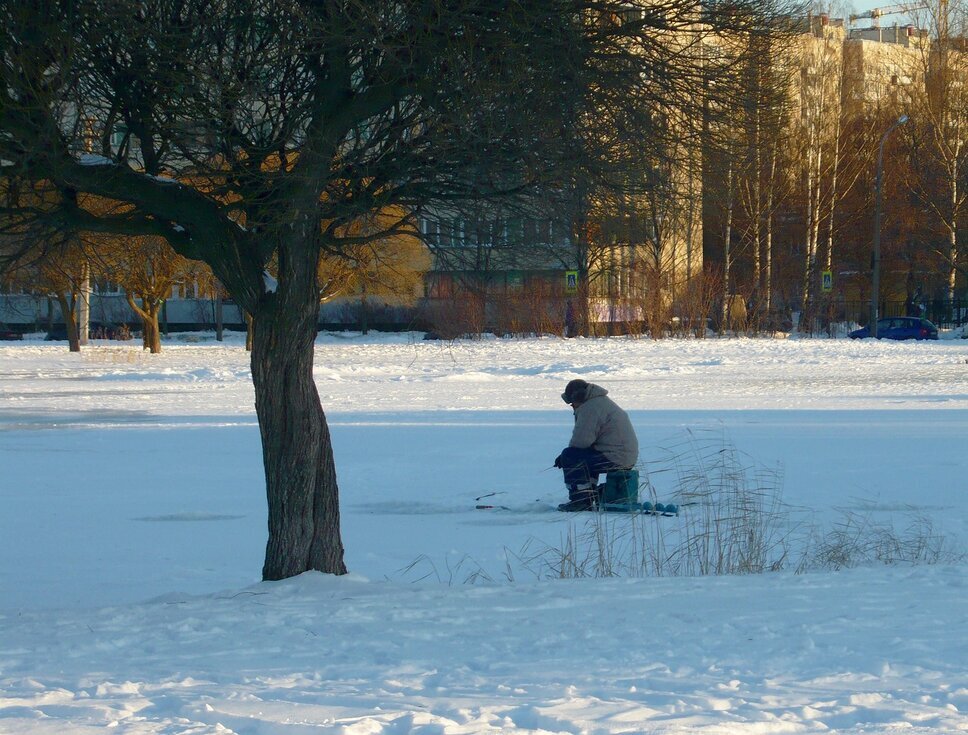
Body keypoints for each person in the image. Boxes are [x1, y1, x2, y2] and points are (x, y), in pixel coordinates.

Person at [553, 379, 638, 511]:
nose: (573, 407)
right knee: (582, 457)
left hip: (615, 458)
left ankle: (581, 500)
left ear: (578, 398)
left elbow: (582, 441)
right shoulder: (599, 402)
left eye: (572, 403)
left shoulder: (590, 408)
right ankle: (589, 494)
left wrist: (565, 457)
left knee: (571, 456)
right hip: (622, 456)